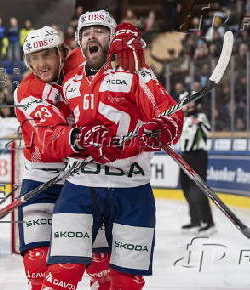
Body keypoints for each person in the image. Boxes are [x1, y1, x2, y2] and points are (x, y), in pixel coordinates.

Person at [41, 10, 184, 290]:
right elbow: (53, 134)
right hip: (81, 186)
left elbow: (168, 116)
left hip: (131, 190)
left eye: (100, 31)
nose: (92, 36)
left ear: (113, 37)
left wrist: (159, 129)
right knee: (62, 272)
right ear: (80, 43)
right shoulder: (69, 84)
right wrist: (78, 139)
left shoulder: (134, 75)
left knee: (126, 281)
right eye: (86, 32)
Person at [14, 26, 116, 290]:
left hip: (84, 178)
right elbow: (49, 138)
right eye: (34, 58)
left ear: (61, 53)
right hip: (42, 179)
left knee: (101, 263)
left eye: (46, 55)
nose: (40, 64)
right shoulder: (27, 91)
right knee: (37, 262)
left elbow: (116, 73)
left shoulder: (82, 64)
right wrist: (82, 139)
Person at [179, 100, 215, 235]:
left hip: (198, 156)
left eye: (189, 103)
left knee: (198, 189)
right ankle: (195, 221)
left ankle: (208, 223)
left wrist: (197, 121)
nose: (187, 106)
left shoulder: (200, 117)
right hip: (185, 156)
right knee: (186, 189)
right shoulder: (182, 119)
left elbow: (207, 129)